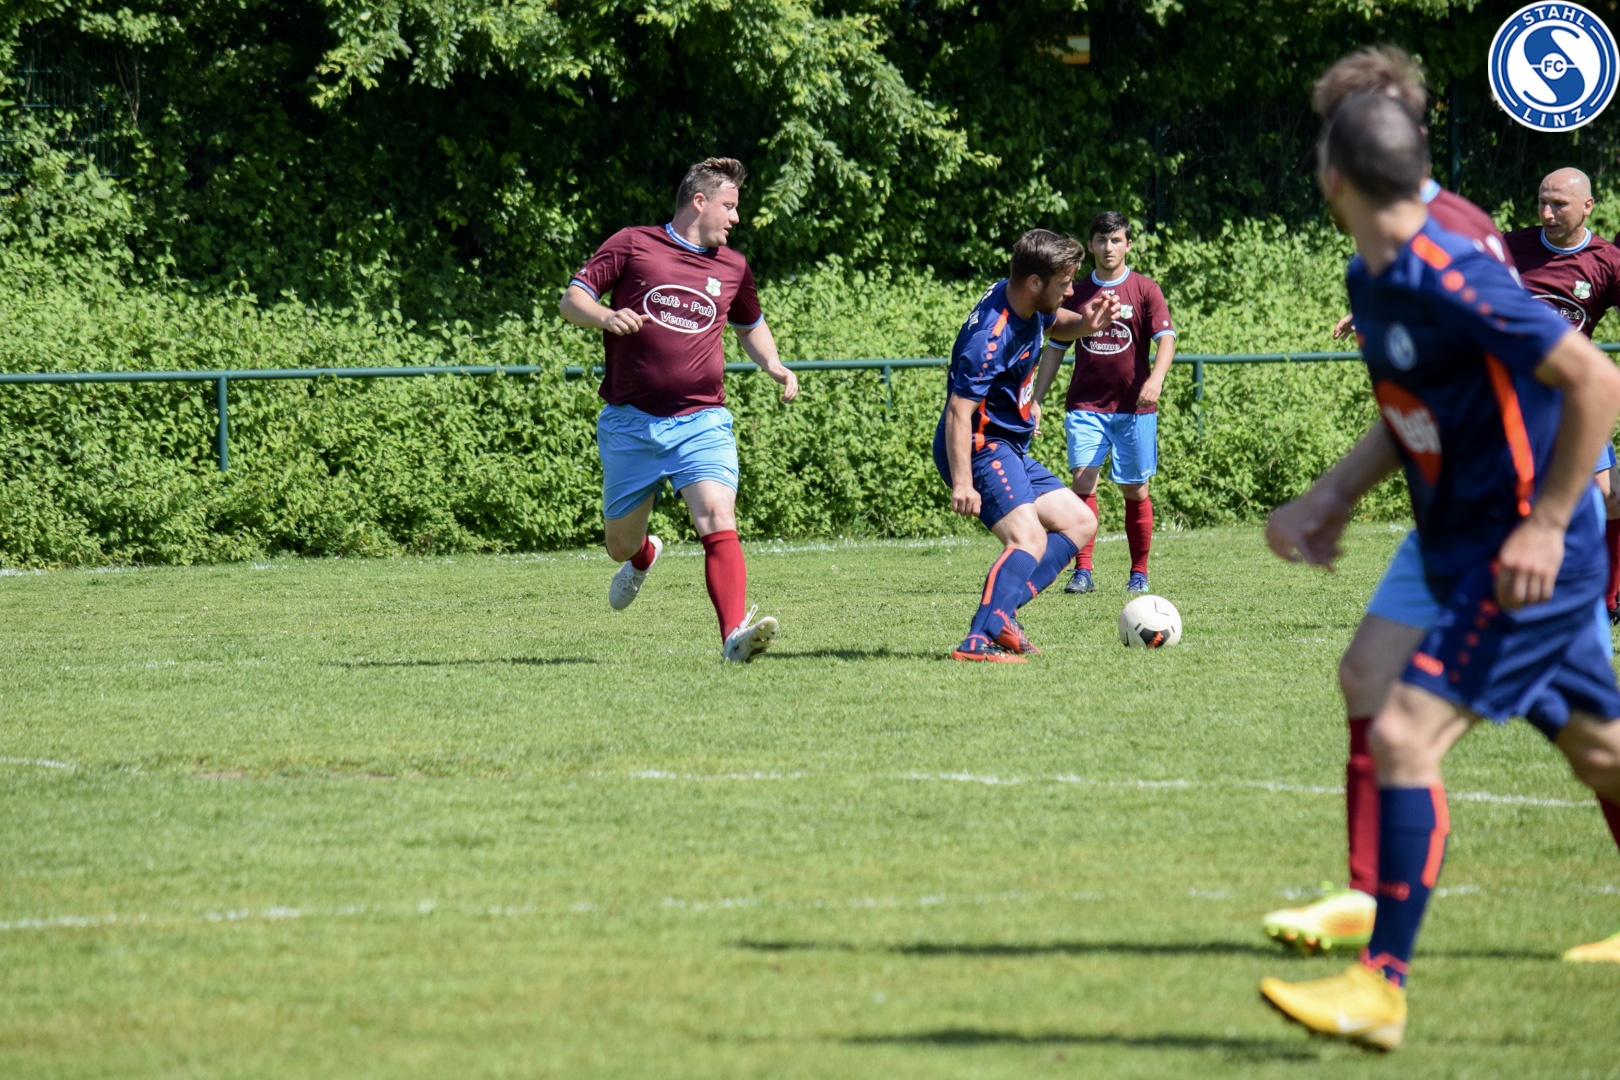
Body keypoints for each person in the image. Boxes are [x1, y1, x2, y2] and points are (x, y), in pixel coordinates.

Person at [1259, 91, 1620, 1050]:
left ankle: (1380, 986)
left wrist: (1547, 526)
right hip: (1461, 544)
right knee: (1599, 754)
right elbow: (1413, 409)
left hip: (1524, 556)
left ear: (1333, 179)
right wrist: (1331, 496)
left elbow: (1596, 380)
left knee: (1406, 733)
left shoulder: (1450, 271)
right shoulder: (1373, 274)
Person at [560, 157, 798, 663]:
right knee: (619, 545)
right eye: (729, 206)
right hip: (630, 423)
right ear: (699, 201)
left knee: (717, 515)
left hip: (701, 420)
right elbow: (572, 299)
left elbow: (750, 324)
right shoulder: (633, 243)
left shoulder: (733, 266)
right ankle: (644, 554)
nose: (736, 217)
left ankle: (734, 637)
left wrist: (773, 363)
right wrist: (606, 315)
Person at [936, 229, 1118, 661]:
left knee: (1079, 522)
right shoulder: (990, 339)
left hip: (1007, 445)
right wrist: (963, 482)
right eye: (1064, 284)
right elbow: (958, 412)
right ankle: (977, 641)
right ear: (1035, 282)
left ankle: (1000, 615)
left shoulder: (1022, 298)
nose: (1071, 291)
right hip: (979, 447)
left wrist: (1086, 324)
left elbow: (1052, 322)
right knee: (1028, 539)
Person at [1035, 211, 1176, 596]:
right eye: (1101, 240)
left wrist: (1156, 380)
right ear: (1091, 245)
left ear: (1128, 244)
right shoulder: (1076, 293)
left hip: (1134, 408)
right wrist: (1036, 399)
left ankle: (1139, 573)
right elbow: (1056, 347)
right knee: (1083, 482)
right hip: (1086, 404)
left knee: (1135, 490)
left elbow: (1166, 339)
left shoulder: (1146, 289)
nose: (1108, 247)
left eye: (1115, 240)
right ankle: (1082, 571)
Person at [1505, 168, 1620, 621]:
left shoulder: (1606, 260)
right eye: (1542, 202)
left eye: (1559, 204)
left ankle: (1608, 599)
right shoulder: (1509, 248)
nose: (1547, 213)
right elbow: (1447, 278)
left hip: (1571, 398)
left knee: (1609, 498)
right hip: (1509, 395)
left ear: (1588, 206)